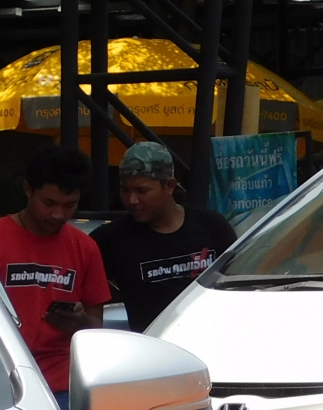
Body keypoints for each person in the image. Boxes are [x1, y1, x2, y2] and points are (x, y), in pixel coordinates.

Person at [0, 144, 109, 410]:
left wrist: (79, 322)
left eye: (69, 205)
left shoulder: (85, 248)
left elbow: (96, 326)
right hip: (3, 381)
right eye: (49, 203)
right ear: (28, 190)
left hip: (63, 386)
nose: (58, 214)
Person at [91, 141, 237, 333]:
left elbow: (239, 281)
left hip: (211, 339)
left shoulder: (211, 224)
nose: (132, 200)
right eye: (125, 190)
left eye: (142, 191)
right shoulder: (111, 239)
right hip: (154, 347)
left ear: (170, 186)